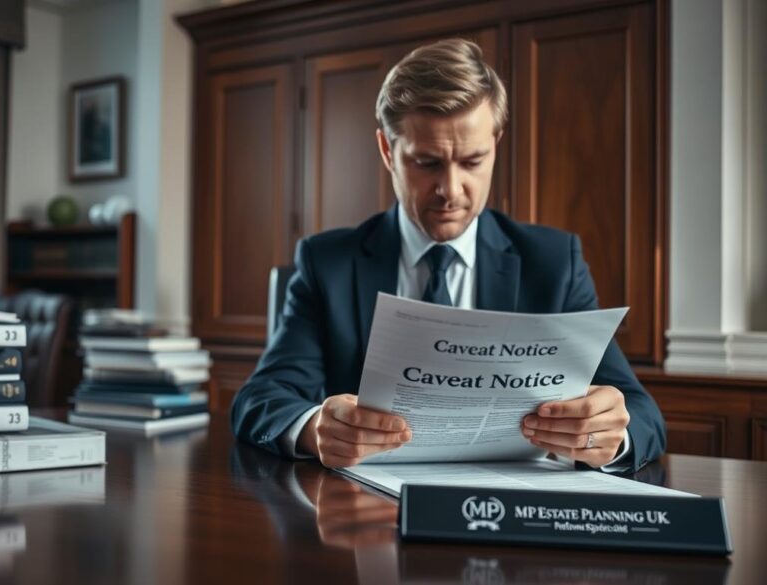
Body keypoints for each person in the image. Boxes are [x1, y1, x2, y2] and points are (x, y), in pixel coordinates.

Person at [230, 39, 665, 473]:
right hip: (363, 511)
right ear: (387, 151)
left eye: (473, 161)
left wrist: (608, 434)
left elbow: (644, 416)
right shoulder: (327, 264)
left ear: (495, 144)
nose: (451, 191)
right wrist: (314, 427)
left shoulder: (554, 263)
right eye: (427, 162)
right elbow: (261, 399)